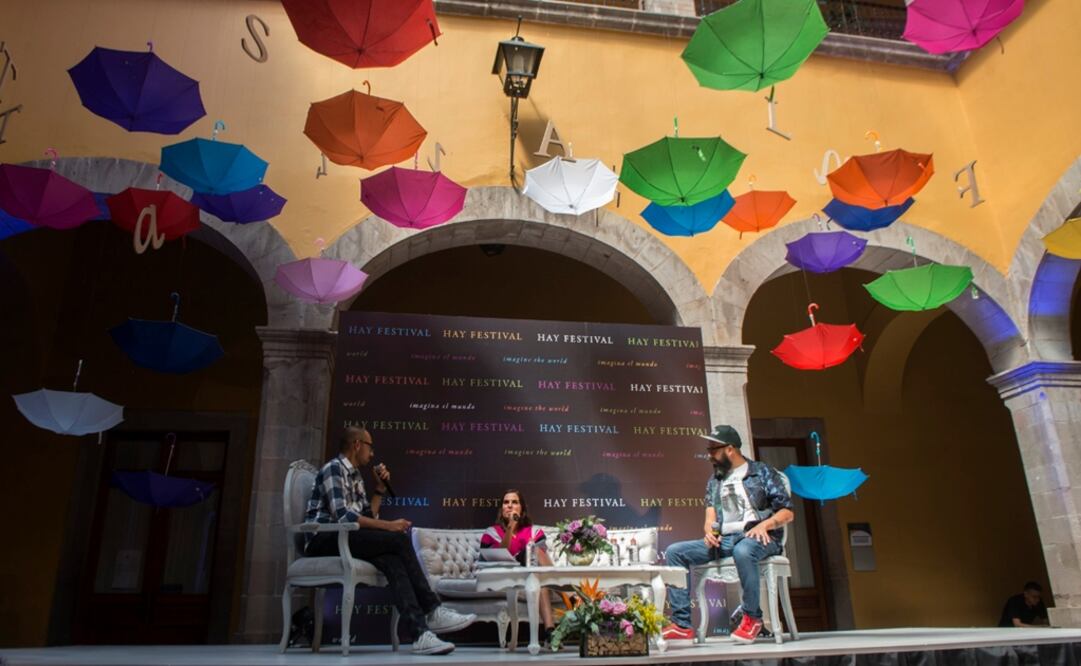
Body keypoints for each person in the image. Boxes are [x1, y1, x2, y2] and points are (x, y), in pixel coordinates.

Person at [303, 426, 476, 655]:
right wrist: (389, 526)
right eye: (370, 447)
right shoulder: (333, 469)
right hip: (323, 539)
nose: (372, 453)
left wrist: (380, 488)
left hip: (346, 536)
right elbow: (344, 517)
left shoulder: (356, 476)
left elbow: (368, 515)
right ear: (357, 445)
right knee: (398, 539)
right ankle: (432, 609)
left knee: (393, 561)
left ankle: (420, 634)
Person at [661, 424, 795, 644]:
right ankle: (682, 625)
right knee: (675, 552)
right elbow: (710, 518)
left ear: (730, 449)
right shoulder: (715, 481)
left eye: (713, 450)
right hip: (725, 541)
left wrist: (765, 525)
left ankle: (752, 618)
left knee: (743, 551)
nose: (709, 455)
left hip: (759, 538)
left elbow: (787, 512)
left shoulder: (761, 472)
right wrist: (709, 533)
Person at [480, 490, 556, 640]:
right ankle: (565, 591)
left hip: (534, 575)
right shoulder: (491, 532)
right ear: (501, 509)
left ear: (522, 509)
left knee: (537, 562)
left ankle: (550, 632)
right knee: (537, 567)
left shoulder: (534, 531)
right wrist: (510, 527)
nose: (509, 506)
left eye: (514, 502)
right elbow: (498, 555)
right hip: (506, 575)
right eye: (506, 502)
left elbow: (542, 557)